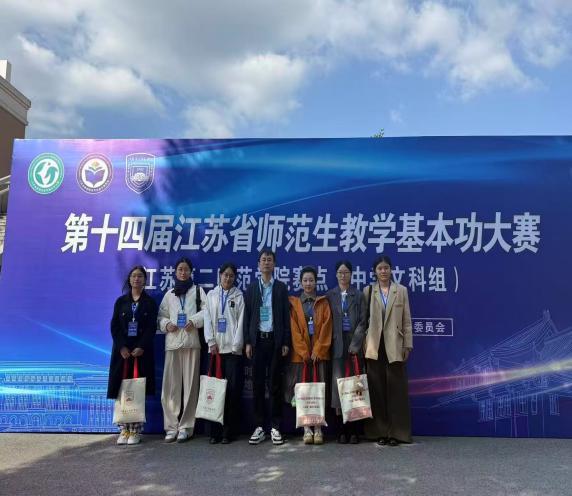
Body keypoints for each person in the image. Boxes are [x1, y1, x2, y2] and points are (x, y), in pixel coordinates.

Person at [363, 255, 413, 446]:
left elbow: (407, 320)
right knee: (376, 391)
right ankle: (380, 432)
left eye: (386, 268)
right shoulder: (368, 291)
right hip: (374, 347)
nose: (383, 271)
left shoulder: (401, 291)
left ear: (391, 270)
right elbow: (363, 321)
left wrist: (407, 344)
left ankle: (397, 433)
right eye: (380, 268)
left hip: (395, 346)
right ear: (375, 271)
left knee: (396, 392)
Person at [244, 250, 291, 445]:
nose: (266, 263)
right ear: (258, 264)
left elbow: (286, 316)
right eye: (263, 260)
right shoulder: (252, 288)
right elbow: (247, 317)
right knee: (257, 385)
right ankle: (258, 427)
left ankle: (275, 427)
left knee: (275, 385)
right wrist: (248, 341)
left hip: (275, 342)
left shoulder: (280, 287)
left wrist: (285, 341)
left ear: (274, 264)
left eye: (269, 260)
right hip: (257, 342)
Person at [158, 257, 207, 443]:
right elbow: (160, 316)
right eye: (180, 269)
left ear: (190, 272)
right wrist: (166, 324)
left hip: (191, 342)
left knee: (190, 388)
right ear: (175, 272)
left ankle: (186, 427)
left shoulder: (198, 291)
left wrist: (194, 321)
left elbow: (207, 311)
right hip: (172, 344)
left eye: (186, 269)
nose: (183, 272)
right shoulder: (169, 294)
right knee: (170, 388)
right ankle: (171, 427)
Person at [107, 265, 158, 445]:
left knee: (137, 390)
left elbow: (151, 327)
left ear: (145, 280)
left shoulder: (150, 303)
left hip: (141, 353)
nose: (137, 279)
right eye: (134, 276)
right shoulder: (121, 301)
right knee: (122, 390)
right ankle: (123, 429)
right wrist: (122, 347)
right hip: (123, 354)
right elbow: (114, 326)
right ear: (129, 279)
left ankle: (136, 430)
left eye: (140, 276)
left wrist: (141, 346)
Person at [285, 266, 332, 445]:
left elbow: (327, 328)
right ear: (300, 282)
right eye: (305, 280)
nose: (308, 283)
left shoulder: (323, 303)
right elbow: (294, 331)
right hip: (301, 358)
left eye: (311, 280)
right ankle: (306, 429)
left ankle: (318, 428)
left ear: (316, 282)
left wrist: (318, 351)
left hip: (319, 357)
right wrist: (304, 352)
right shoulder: (294, 304)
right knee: (303, 394)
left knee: (318, 393)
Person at [203, 262, 245, 444]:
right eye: (225, 274)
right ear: (220, 275)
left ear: (235, 278)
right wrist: (211, 341)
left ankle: (228, 432)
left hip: (232, 352)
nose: (228, 278)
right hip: (215, 351)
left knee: (232, 392)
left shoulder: (239, 296)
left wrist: (237, 345)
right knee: (214, 392)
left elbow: (241, 322)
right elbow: (207, 319)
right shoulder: (211, 295)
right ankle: (214, 432)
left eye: (231, 275)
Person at [326, 260, 367, 444]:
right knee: (338, 389)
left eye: (346, 272)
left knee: (354, 388)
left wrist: (356, 344)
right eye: (340, 272)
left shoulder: (358, 295)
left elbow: (363, 321)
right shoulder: (330, 295)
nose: (343, 275)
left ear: (351, 274)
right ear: (336, 275)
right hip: (336, 347)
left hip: (353, 348)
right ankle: (341, 430)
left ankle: (355, 431)